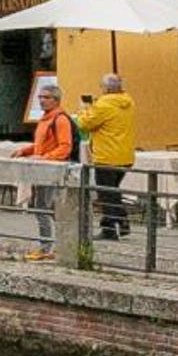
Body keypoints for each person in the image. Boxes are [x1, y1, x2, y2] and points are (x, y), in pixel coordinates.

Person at [11, 81, 80, 256]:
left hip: (51, 169)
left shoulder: (60, 119)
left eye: (46, 97)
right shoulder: (45, 119)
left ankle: (48, 246)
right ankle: (60, 242)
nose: (42, 100)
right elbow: (42, 144)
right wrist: (25, 151)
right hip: (43, 167)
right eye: (40, 97)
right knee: (44, 206)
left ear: (56, 100)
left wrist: (43, 158)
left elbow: (65, 147)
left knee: (42, 206)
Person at [75, 72, 138, 241]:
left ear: (106, 88)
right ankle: (114, 226)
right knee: (112, 191)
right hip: (125, 155)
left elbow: (84, 124)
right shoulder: (128, 101)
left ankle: (117, 225)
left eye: (101, 87)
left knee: (106, 193)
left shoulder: (103, 105)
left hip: (107, 156)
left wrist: (84, 109)